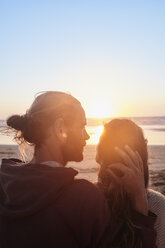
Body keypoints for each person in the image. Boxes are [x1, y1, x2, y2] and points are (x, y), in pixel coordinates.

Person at [0, 92, 156, 248]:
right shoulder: (84, 198)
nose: (87, 135)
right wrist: (140, 201)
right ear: (60, 128)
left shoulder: (5, 182)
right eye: (82, 126)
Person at [96, 118, 165, 248]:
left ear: (100, 157)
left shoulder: (86, 198)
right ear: (143, 158)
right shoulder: (158, 204)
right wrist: (140, 197)